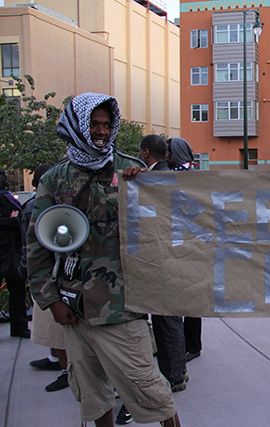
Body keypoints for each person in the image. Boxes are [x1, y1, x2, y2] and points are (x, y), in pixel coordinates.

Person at [27, 93, 180, 427]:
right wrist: (51, 301)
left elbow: (166, 224)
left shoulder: (131, 171)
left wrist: (146, 188)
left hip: (121, 307)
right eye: (94, 124)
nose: (100, 131)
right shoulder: (55, 180)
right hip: (75, 310)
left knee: (151, 390)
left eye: (106, 125)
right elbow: (37, 245)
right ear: (78, 126)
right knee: (91, 395)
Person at [115, 135, 188, 425]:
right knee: (169, 318)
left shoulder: (154, 179)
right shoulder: (165, 176)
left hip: (159, 261)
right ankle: (177, 371)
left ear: (145, 152)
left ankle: (172, 375)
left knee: (166, 319)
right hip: (168, 259)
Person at [24, 164, 70, 392]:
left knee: (58, 335)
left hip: (62, 278)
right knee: (55, 334)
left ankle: (67, 371)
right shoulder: (38, 208)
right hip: (51, 278)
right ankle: (65, 370)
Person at [166, 137, 202, 362]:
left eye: (168, 152)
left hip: (193, 246)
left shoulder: (191, 179)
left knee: (191, 299)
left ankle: (192, 345)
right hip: (179, 244)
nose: (165, 156)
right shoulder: (172, 176)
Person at [1, 168, 30, 338]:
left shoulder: (8, 199)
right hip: (11, 252)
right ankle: (19, 327)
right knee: (17, 292)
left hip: (10, 251)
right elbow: (20, 220)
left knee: (17, 291)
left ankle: (19, 327)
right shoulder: (8, 200)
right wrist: (11, 221)